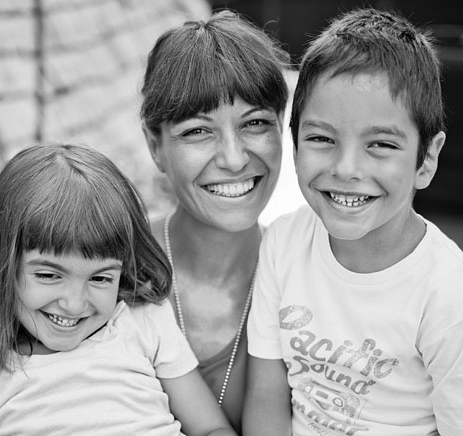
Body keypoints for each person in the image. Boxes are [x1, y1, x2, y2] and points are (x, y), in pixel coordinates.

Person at [244, 8, 463, 436]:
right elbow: (266, 394)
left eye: (381, 144)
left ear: (426, 159)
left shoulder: (457, 307)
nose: (347, 168)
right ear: (294, 142)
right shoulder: (282, 242)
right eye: (321, 138)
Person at [0, 143, 236, 436]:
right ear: (3, 265)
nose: (74, 303)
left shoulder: (143, 319)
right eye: (50, 276)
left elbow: (210, 428)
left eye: (100, 279)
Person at [140, 10, 289, 434]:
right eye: (197, 132)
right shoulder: (110, 265)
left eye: (255, 123)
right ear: (155, 146)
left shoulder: (309, 275)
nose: (234, 158)